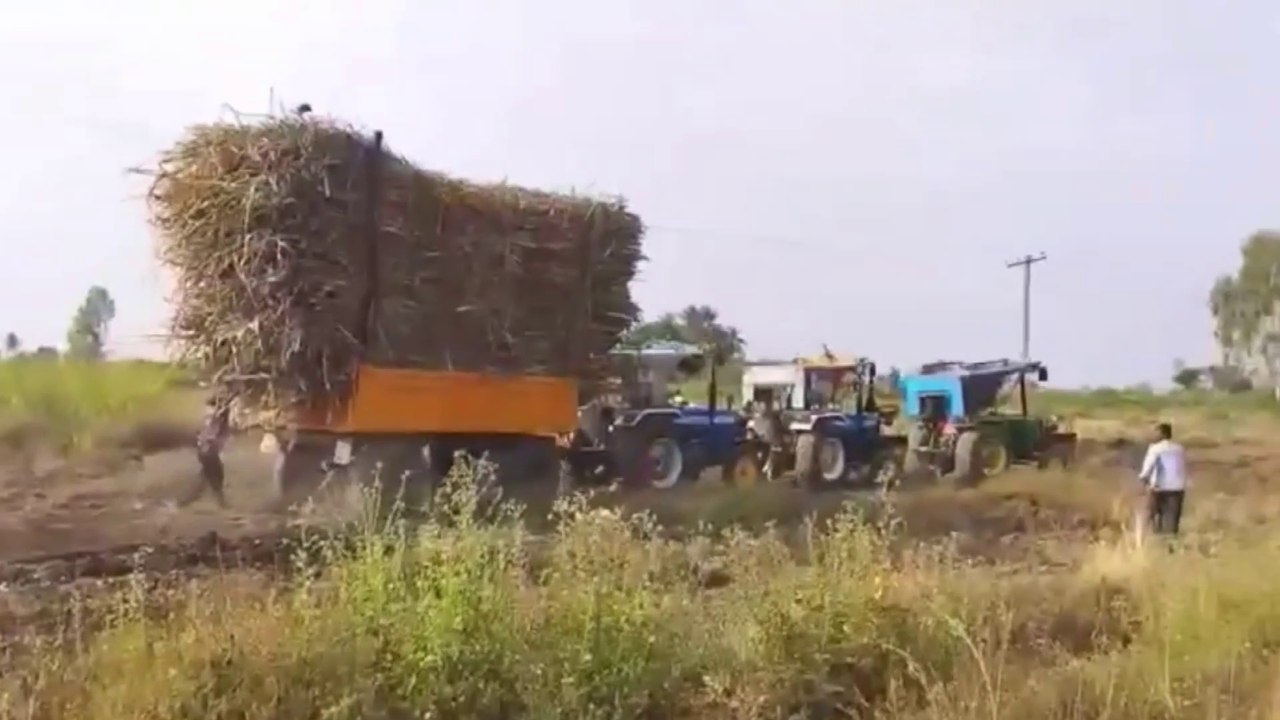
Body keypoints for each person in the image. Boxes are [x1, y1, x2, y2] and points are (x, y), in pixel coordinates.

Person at [179, 392, 233, 508]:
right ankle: (220, 503)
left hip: (206, 450)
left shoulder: (212, 417)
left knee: (206, 477)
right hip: (208, 450)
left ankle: (187, 500)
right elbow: (219, 417)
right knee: (216, 476)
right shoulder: (214, 417)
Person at [1138, 422, 1188, 535]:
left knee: (1151, 514)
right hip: (1178, 487)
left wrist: (1143, 478)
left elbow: (1148, 467)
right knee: (1172, 519)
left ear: (1161, 434)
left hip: (1159, 488)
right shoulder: (1179, 449)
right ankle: (1170, 544)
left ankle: (1155, 537)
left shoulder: (1155, 449)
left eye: (1156, 432)